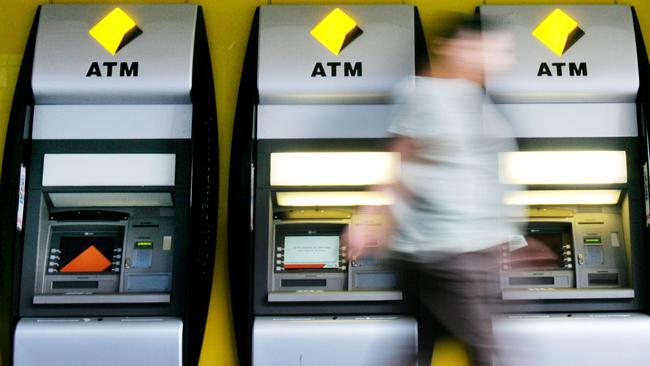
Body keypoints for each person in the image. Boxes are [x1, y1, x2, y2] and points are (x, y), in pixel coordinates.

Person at [346, 15, 521, 366]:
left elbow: (480, 176)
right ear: (452, 48)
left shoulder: (473, 98)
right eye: (484, 50)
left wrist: (511, 236)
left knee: (422, 348)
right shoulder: (422, 94)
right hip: (444, 250)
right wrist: (365, 220)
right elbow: (400, 160)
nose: (496, 59)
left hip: (471, 249)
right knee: (487, 350)